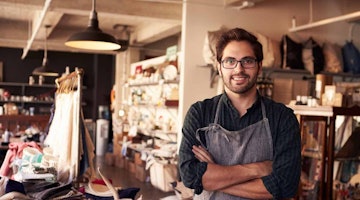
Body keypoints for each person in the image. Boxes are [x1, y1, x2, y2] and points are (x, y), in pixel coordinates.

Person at [179, 27, 301, 199]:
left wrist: (214, 176)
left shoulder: (282, 117)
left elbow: (284, 186)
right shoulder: (200, 113)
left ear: (259, 67)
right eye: (230, 61)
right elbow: (190, 176)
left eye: (247, 61)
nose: (238, 69)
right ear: (219, 67)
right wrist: (257, 169)